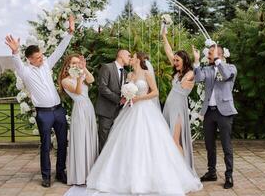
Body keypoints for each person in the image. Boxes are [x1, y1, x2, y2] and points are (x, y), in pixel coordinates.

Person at [64, 52, 203, 196]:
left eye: (133, 57)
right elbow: (125, 93)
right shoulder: (129, 75)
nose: (130, 58)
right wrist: (126, 97)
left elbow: (155, 93)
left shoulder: (147, 74)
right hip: (130, 111)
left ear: (139, 59)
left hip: (145, 110)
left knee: (148, 141)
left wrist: (139, 98)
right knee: (126, 141)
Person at [5, 16, 75, 187]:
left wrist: (69, 33)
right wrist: (15, 52)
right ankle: (46, 176)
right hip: (43, 114)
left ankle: (60, 172)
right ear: (29, 59)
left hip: (58, 111)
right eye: (37, 58)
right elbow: (17, 63)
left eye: (41, 55)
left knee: (63, 142)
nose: (41, 59)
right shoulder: (25, 72)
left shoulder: (46, 65)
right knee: (45, 145)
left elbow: (59, 51)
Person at [193, 44, 237, 189]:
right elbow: (198, 78)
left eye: (211, 53)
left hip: (224, 111)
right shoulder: (207, 69)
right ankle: (211, 172)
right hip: (209, 112)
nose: (208, 56)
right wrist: (197, 61)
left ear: (220, 54)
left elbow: (225, 76)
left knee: (226, 145)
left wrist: (218, 61)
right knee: (209, 145)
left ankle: (229, 175)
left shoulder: (230, 68)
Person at [58, 54, 98, 185]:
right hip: (79, 110)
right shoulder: (65, 81)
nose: (76, 65)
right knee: (81, 140)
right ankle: (80, 176)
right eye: (73, 63)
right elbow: (78, 91)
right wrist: (80, 78)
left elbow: (91, 80)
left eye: (77, 62)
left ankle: (91, 174)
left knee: (90, 139)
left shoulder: (81, 74)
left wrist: (84, 68)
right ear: (68, 65)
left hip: (89, 109)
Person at [162, 28, 196, 169]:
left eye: (177, 60)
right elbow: (168, 51)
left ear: (184, 61)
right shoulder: (178, 71)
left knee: (175, 140)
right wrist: (164, 36)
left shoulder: (190, 73)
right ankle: (173, 168)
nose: (174, 62)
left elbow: (185, 81)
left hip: (178, 110)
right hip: (169, 107)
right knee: (167, 140)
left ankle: (185, 171)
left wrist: (197, 60)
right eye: (174, 60)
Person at [95, 49, 131, 152]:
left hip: (120, 113)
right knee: (104, 140)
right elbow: (102, 88)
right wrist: (118, 99)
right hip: (106, 111)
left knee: (115, 141)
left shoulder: (126, 73)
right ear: (121, 55)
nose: (130, 58)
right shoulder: (107, 67)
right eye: (128, 55)